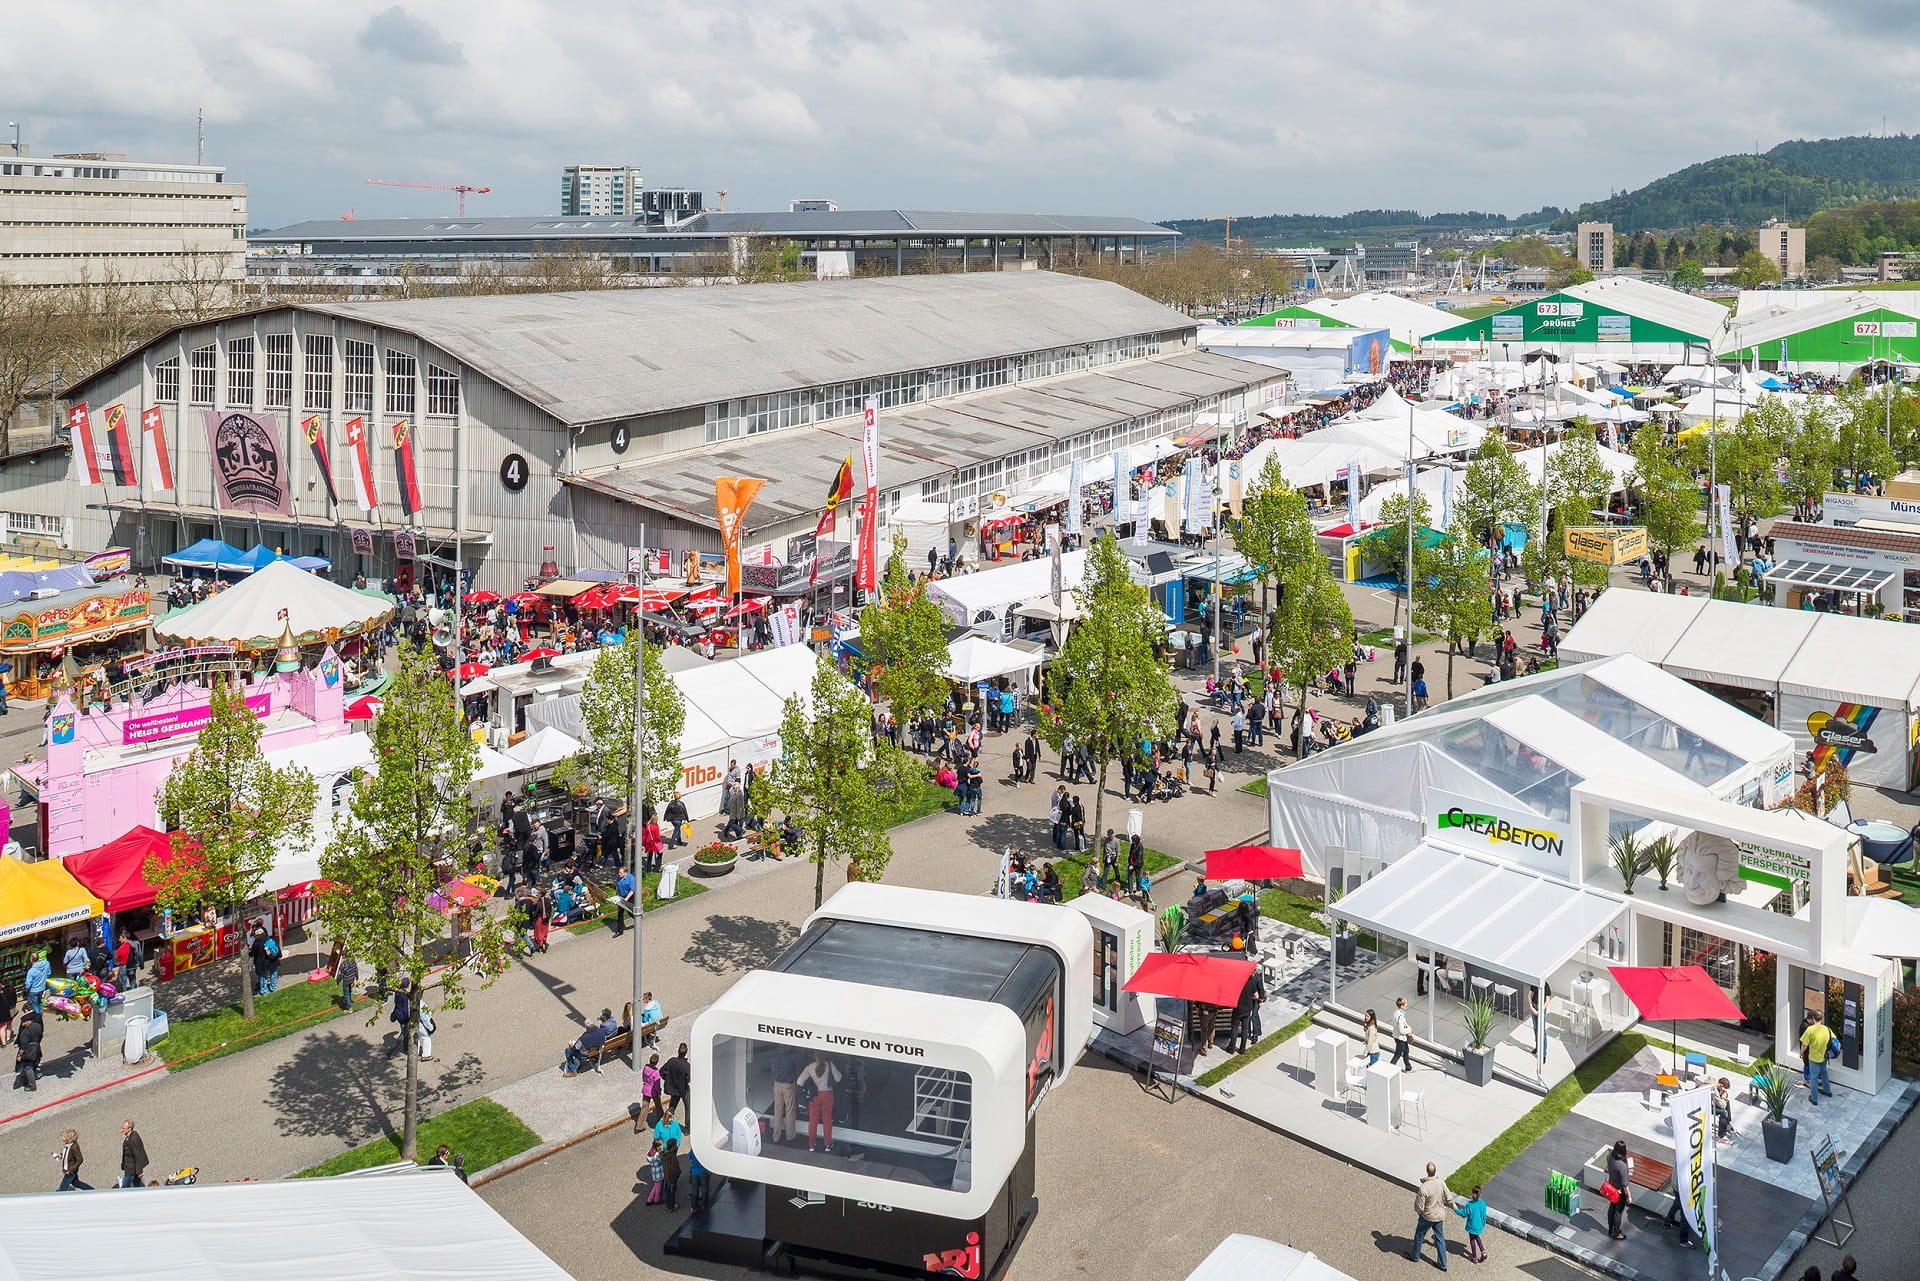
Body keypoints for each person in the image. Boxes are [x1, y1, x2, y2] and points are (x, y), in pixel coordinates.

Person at [798, 1051, 844, 1153]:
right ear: (825, 1056)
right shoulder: (830, 1065)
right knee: (827, 1120)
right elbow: (838, 1078)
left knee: (812, 1121)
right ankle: (827, 1144)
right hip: (827, 1095)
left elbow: (799, 1082)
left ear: (815, 1057)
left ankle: (811, 1145)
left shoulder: (810, 1067)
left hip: (814, 1096)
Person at [1410, 1161, 1454, 1268]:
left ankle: (1415, 1256)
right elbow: (1449, 1198)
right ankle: (1443, 1263)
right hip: (1439, 1216)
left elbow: (1419, 1206)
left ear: (1426, 1171)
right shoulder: (1441, 1183)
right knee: (1440, 1239)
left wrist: (1420, 1214)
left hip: (1427, 1216)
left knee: (1419, 1235)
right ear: (1435, 1171)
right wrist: (1454, 1207)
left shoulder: (1424, 1187)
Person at [766, 1042, 805, 1143]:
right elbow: (802, 1055)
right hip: (788, 1085)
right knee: (790, 1110)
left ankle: (776, 1136)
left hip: (777, 1085)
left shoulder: (772, 1057)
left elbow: (765, 1068)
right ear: (788, 1047)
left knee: (777, 1110)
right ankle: (790, 1136)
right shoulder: (792, 1057)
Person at [1800, 1010, 1836, 1104]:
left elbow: (1804, 1045)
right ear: (1821, 1018)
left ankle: (1814, 1098)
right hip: (1824, 1056)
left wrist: (1801, 1053)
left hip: (1814, 1058)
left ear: (1813, 1018)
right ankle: (1827, 1091)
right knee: (1824, 1073)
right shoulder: (1827, 1029)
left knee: (1814, 1077)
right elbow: (1833, 1039)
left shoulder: (1810, 1030)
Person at [1454, 1185, 1488, 1264]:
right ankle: (1483, 1251)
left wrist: (1455, 1209)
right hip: (1479, 1226)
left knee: (1472, 1240)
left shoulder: (1469, 1205)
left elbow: (1463, 1214)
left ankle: (1474, 1257)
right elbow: (1484, 1216)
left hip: (1472, 1226)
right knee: (1477, 1237)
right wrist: (1483, 1224)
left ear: (1473, 1194)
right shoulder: (1483, 1203)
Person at [1605, 1139, 1632, 1239]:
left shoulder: (1610, 1157)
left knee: (1612, 1207)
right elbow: (1625, 1184)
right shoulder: (1622, 1166)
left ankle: (1610, 1228)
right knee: (1618, 1212)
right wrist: (1629, 1196)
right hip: (1620, 1192)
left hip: (1611, 1187)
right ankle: (1616, 1233)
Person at [13, 1008, 42, 1091]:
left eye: (23, 1022)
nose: (22, 1024)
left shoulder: (24, 1032)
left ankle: (31, 1085)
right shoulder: (37, 1026)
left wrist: (19, 1055)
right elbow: (40, 1036)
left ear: (27, 1021)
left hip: (29, 1050)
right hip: (37, 1047)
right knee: (34, 1063)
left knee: (27, 1067)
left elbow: (23, 1046)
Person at [662, 1043, 692, 1119]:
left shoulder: (671, 1061)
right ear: (686, 1052)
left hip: (674, 1088)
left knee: (672, 1107)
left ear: (678, 1051)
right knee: (688, 1108)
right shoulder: (687, 1066)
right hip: (683, 1089)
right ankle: (688, 1125)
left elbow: (661, 1071)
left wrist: (668, 1078)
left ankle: (666, 1121)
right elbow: (689, 1079)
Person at [118, 1119, 148, 1188]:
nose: (121, 1130)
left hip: (131, 1168)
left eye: (123, 1128)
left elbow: (138, 1155)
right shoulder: (128, 1138)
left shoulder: (133, 1139)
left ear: (129, 1129)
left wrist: (140, 1171)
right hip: (131, 1167)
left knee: (125, 1187)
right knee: (138, 1185)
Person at [610, 866, 636, 939]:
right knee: (620, 913)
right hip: (621, 896)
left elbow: (632, 890)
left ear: (625, 873)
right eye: (619, 872)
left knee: (630, 911)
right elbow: (618, 886)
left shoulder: (631, 878)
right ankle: (619, 930)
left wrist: (626, 899)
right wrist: (616, 895)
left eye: (621, 873)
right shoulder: (619, 878)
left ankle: (637, 919)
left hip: (630, 896)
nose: (619, 874)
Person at [1390, 997, 1414, 1071]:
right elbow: (1402, 1030)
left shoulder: (1396, 1013)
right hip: (1400, 1038)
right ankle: (1390, 1068)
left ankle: (1408, 1067)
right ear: (1402, 1006)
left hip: (1397, 1036)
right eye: (1405, 1004)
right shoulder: (1400, 1017)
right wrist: (1409, 1029)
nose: (1407, 1005)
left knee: (1406, 1051)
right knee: (1397, 1054)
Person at [659, 1137, 682, 1211]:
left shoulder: (664, 1154)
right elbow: (675, 1169)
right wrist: (678, 1174)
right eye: (675, 1145)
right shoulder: (672, 1157)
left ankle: (668, 1204)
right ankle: (671, 1207)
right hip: (672, 1177)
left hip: (667, 1176)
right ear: (672, 1147)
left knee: (668, 1191)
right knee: (672, 1192)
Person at [686, 1141, 710, 1213]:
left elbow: (690, 1157)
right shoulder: (705, 1149)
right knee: (704, 1188)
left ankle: (694, 1207)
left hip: (695, 1171)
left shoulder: (693, 1149)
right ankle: (704, 1205)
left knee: (694, 1189)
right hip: (704, 1171)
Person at [1712, 1076, 1735, 1142]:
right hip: (1707, 1106)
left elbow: (1722, 1102)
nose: (1725, 1090)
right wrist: (1724, 1094)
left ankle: (1727, 1124)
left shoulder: (1717, 1086)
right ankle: (1721, 1136)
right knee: (1723, 1112)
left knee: (1727, 1102)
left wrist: (1722, 1093)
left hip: (1713, 1103)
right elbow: (1722, 1105)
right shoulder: (1714, 1090)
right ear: (1721, 1085)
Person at [643, 1138, 665, 1206]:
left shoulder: (651, 1152)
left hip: (654, 1171)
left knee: (656, 1186)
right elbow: (662, 1160)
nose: (662, 1146)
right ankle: (656, 1199)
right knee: (658, 1187)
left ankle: (649, 1199)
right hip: (658, 1173)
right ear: (658, 1146)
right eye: (661, 1145)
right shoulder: (657, 1156)